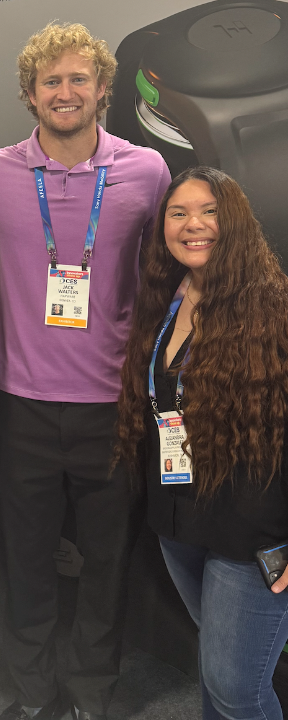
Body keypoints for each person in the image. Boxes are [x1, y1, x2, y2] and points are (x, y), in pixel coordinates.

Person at [0, 22, 171, 720]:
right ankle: (32, 691)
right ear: (30, 94)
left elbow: (173, 268)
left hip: (114, 405)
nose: (66, 91)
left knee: (107, 562)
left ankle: (91, 694)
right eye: (52, 81)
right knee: (29, 558)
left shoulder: (145, 171)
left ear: (104, 89)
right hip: (18, 403)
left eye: (80, 79)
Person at [116, 166, 288, 720]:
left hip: (253, 535)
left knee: (238, 689)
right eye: (179, 213)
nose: (195, 225)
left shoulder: (273, 306)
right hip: (181, 522)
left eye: (210, 212)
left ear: (234, 223)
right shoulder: (171, 296)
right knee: (215, 680)